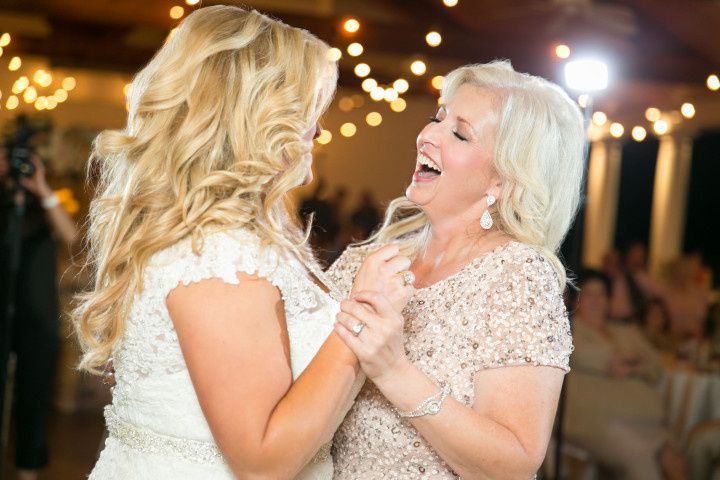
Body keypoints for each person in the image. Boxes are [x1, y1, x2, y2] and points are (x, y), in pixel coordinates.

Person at [72, 6, 411, 479]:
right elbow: (263, 461)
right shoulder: (215, 252)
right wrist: (363, 318)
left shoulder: (218, 236)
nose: (318, 128)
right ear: (258, 116)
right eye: (308, 107)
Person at [326, 60, 583, 478]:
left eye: (459, 133)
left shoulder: (516, 276)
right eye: (437, 119)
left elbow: (514, 462)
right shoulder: (367, 260)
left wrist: (393, 370)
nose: (426, 136)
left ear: (502, 181)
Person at [0, 146, 79, 480]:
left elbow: (74, 240)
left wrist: (42, 188)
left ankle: (27, 470)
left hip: (38, 317)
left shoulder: (46, 207)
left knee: (34, 399)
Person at [565, 270, 686, 480]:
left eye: (601, 294)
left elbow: (656, 365)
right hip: (595, 421)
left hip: (644, 421)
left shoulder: (624, 331)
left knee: (675, 458)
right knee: (643, 460)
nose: (595, 300)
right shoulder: (570, 330)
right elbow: (584, 355)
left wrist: (630, 366)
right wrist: (631, 360)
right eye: (589, 294)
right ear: (578, 298)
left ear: (609, 300)